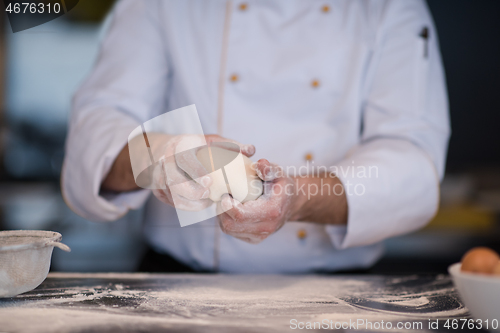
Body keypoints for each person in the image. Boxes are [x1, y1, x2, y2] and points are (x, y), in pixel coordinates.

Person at [62, 0, 449, 273]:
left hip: (339, 295)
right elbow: (98, 128)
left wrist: (297, 197)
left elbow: (413, 160)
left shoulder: (389, 6)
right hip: (180, 284)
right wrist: (161, 156)